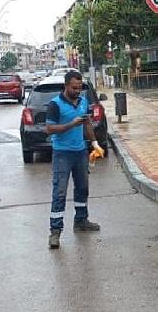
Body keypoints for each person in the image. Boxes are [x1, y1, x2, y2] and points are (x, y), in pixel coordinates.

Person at [45, 71, 104, 249]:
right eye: (74, 88)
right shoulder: (55, 105)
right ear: (66, 85)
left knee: (83, 188)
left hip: (80, 152)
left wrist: (94, 144)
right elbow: (49, 128)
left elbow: (87, 124)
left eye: (79, 88)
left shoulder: (83, 102)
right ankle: (55, 233)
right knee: (60, 192)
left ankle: (81, 221)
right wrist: (72, 124)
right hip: (62, 154)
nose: (77, 91)